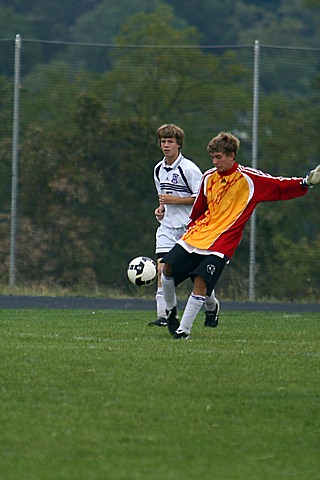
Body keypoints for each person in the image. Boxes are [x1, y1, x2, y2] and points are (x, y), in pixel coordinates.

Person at [161, 131, 320, 339]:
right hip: (198, 234)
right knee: (167, 268)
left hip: (223, 242)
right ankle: (172, 311)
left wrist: (305, 183)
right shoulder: (209, 177)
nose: (214, 162)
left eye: (219, 157)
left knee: (200, 281)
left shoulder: (248, 179)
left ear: (231, 155)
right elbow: (199, 208)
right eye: (213, 157)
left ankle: (183, 331)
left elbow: (278, 185)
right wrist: (189, 227)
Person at [148, 123, 220, 328]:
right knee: (163, 269)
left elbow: (201, 199)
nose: (166, 146)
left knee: (195, 275)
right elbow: (162, 196)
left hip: (190, 229)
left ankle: (212, 305)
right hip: (167, 228)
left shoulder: (188, 169)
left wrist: (173, 201)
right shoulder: (158, 169)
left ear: (178, 144)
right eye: (163, 142)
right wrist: (161, 207)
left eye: (170, 142)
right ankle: (164, 315)